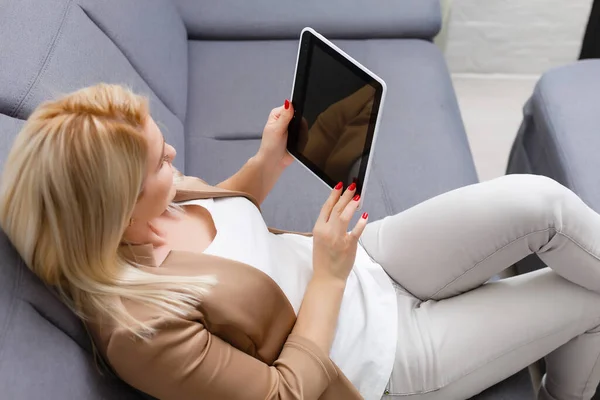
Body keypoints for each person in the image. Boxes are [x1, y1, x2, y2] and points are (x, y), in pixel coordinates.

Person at [1, 84, 600, 400]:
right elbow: (281, 394)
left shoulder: (156, 202)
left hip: (373, 260)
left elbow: (230, 210)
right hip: (386, 362)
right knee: (590, 303)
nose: (174, 158)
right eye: (161, 161)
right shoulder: (143, 330)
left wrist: (270, 160)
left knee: (539, 201)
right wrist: (329, 276)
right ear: (117, 211)